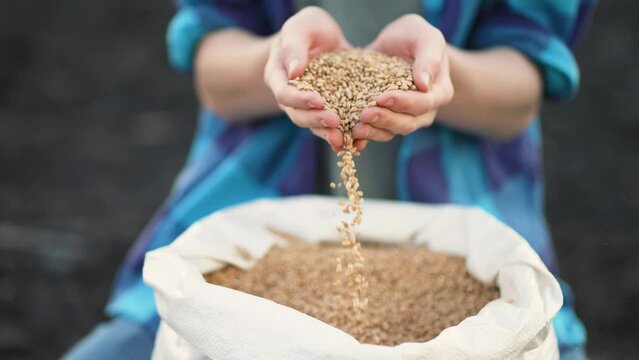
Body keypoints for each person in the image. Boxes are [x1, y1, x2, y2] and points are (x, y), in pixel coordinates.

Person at [64, 1, 596, 359]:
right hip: (249, 195)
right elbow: (216, 73)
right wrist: (279, 60)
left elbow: (522, 87)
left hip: (467, 199)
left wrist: (442, 75)